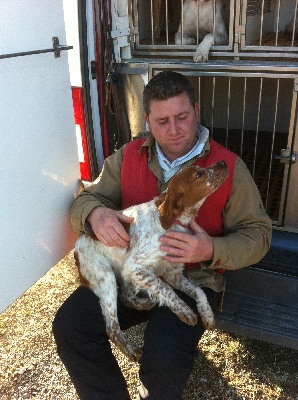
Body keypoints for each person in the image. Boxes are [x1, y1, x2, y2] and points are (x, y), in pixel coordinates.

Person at [53, 71, 272, 400]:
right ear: (147, 120)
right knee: (71, 326)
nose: (174, 130)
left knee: (164, 359)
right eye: (162, 121)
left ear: (196, 111)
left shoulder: (228, 167)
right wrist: (95, 215)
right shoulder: (129, 155)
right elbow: (87, 197)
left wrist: (210, 248)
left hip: (192, 278)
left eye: (182, 117)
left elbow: (259, 235)